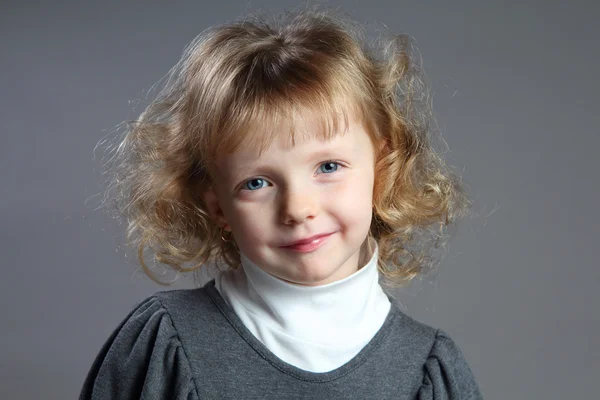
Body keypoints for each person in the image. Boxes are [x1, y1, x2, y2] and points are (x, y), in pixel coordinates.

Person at [80, 7, 483, 399]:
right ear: (218, 207)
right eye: (257, 182)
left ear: (382, 171)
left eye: (328, 166)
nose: (298, 208)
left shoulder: (428, 372)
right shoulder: (168, 346)